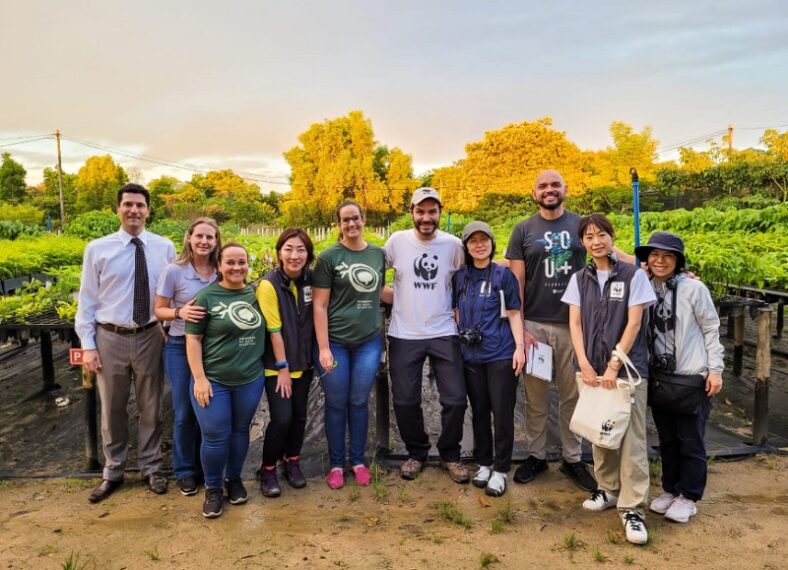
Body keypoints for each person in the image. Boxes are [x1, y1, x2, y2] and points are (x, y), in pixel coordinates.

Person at [75, 184, 175, 503]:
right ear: (117, 209)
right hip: (110, 336)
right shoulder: (98, 249)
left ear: (148, 210)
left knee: (151, 406)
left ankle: (151, 466)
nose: (134, 210)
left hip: (150, 334)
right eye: (128, 204)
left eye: (140, 205)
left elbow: (172, 292)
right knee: (113, 408)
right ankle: (114, 470)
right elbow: (87, 301)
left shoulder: (163, 247)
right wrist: (88, 346)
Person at [561, 213, 656, 545]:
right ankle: (608, 489)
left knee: (631, 439)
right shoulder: (579, 279)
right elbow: (575, 324)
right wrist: (585, 363)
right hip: (591, 369)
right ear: (583, 244)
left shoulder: (634, 276)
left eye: (601, 234)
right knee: (599, 430)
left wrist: (615, 364)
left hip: (627, 370)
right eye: (588, 237)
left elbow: (633, 323)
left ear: (612, 237)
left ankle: (633, 509)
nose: (596, 241)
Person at [504, 170, 598, 492]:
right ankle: (536, 455)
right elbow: (516, 281)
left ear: (565, 189)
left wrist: (645, 263)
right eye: (543, 186)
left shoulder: (582, 225)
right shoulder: (523, 230)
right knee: (536, 395)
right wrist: (523, 329)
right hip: (536, 327)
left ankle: (574, 458)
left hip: (575, 325)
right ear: (534, 193)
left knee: (573, 394)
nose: (549, 190)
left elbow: (606, 256)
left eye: (555, 184)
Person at [635, 232, 724, 524]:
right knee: (667, 439)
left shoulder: (694, 289)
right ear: (647, 260)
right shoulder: (644, 287)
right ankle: (671, 489)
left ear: (678, 261)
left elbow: (711, 328)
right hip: (661, 377)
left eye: (668, 256)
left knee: (690, 439)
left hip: (690, 376)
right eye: (654, 255)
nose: (660, 261)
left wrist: (715, 369)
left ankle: (690, 495)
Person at [385, 187, 469, 484]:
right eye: (420, 211)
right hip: (404, 333)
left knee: (456, 399)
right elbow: (376, 278)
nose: (426, 217)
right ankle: (417, 452)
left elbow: (464, 282)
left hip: (444, 331)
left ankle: (450, 454)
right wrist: (397, 299)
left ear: (440, 213)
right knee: (405, 400)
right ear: (412, 212)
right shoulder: (397, 242)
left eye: (432, 212)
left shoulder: (454, 245)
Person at [185, 243, 266, 518]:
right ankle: (213, 488)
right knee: (215, 436)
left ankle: (234, 478)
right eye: (230, 262)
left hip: (249, 379)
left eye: (241, 262)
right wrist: (199, 378)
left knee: (240, 430)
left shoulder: (255, 294)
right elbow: (193, 339)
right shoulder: (206, 297)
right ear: (219, 265)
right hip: (214, 380)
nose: (236, 267)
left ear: (248, 265)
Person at [313, 201, 386, 489]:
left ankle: (357, 460)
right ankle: (335, 464)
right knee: (335, 403)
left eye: (355, 218)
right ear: (339, 224)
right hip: (336, 343)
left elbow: (379, 291)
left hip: (368, 342)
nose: (351, 224)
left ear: (363, 219)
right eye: (345, 220)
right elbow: (319, 305)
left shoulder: (378, 254)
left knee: (358, 401)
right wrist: (323, 348)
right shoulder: (329, 257)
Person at [452, 221, 525, 497]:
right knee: (479, 411)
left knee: (502, 412)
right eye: (473, 241)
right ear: (466, 247)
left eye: (485, 239)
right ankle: (484, 462)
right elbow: (455, 310)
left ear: (492, 244)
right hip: (471, 356)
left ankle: (502, 468)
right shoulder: (460, 277)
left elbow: (515, 313)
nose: (479, 244)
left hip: (500, 353)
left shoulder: (503, 276)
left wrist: (519, 348)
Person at [154, 217, 221, 496]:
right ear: (189, 238)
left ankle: (208, 467)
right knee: (184, 411)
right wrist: (179, 313)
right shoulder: (174, 271)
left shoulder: (221, 270)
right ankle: (184, 470)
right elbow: (159, 310)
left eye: (210, 237)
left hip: (215, 347)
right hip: (181, 346)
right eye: (200, 236)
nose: (204, 241)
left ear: (217, 242)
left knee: (208, 409)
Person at [255, 228, 316, 497]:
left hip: (304, 363)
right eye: (288, 249)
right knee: (282, 418)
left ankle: (291, 461)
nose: (294, 255)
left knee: (300, 416)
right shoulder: (269, 285)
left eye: (300, 249)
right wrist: (282, 367)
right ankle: (267, 469)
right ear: (279, 252)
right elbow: (274, 329)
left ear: (308, 254)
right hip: (277, 366)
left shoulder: (311, 280)